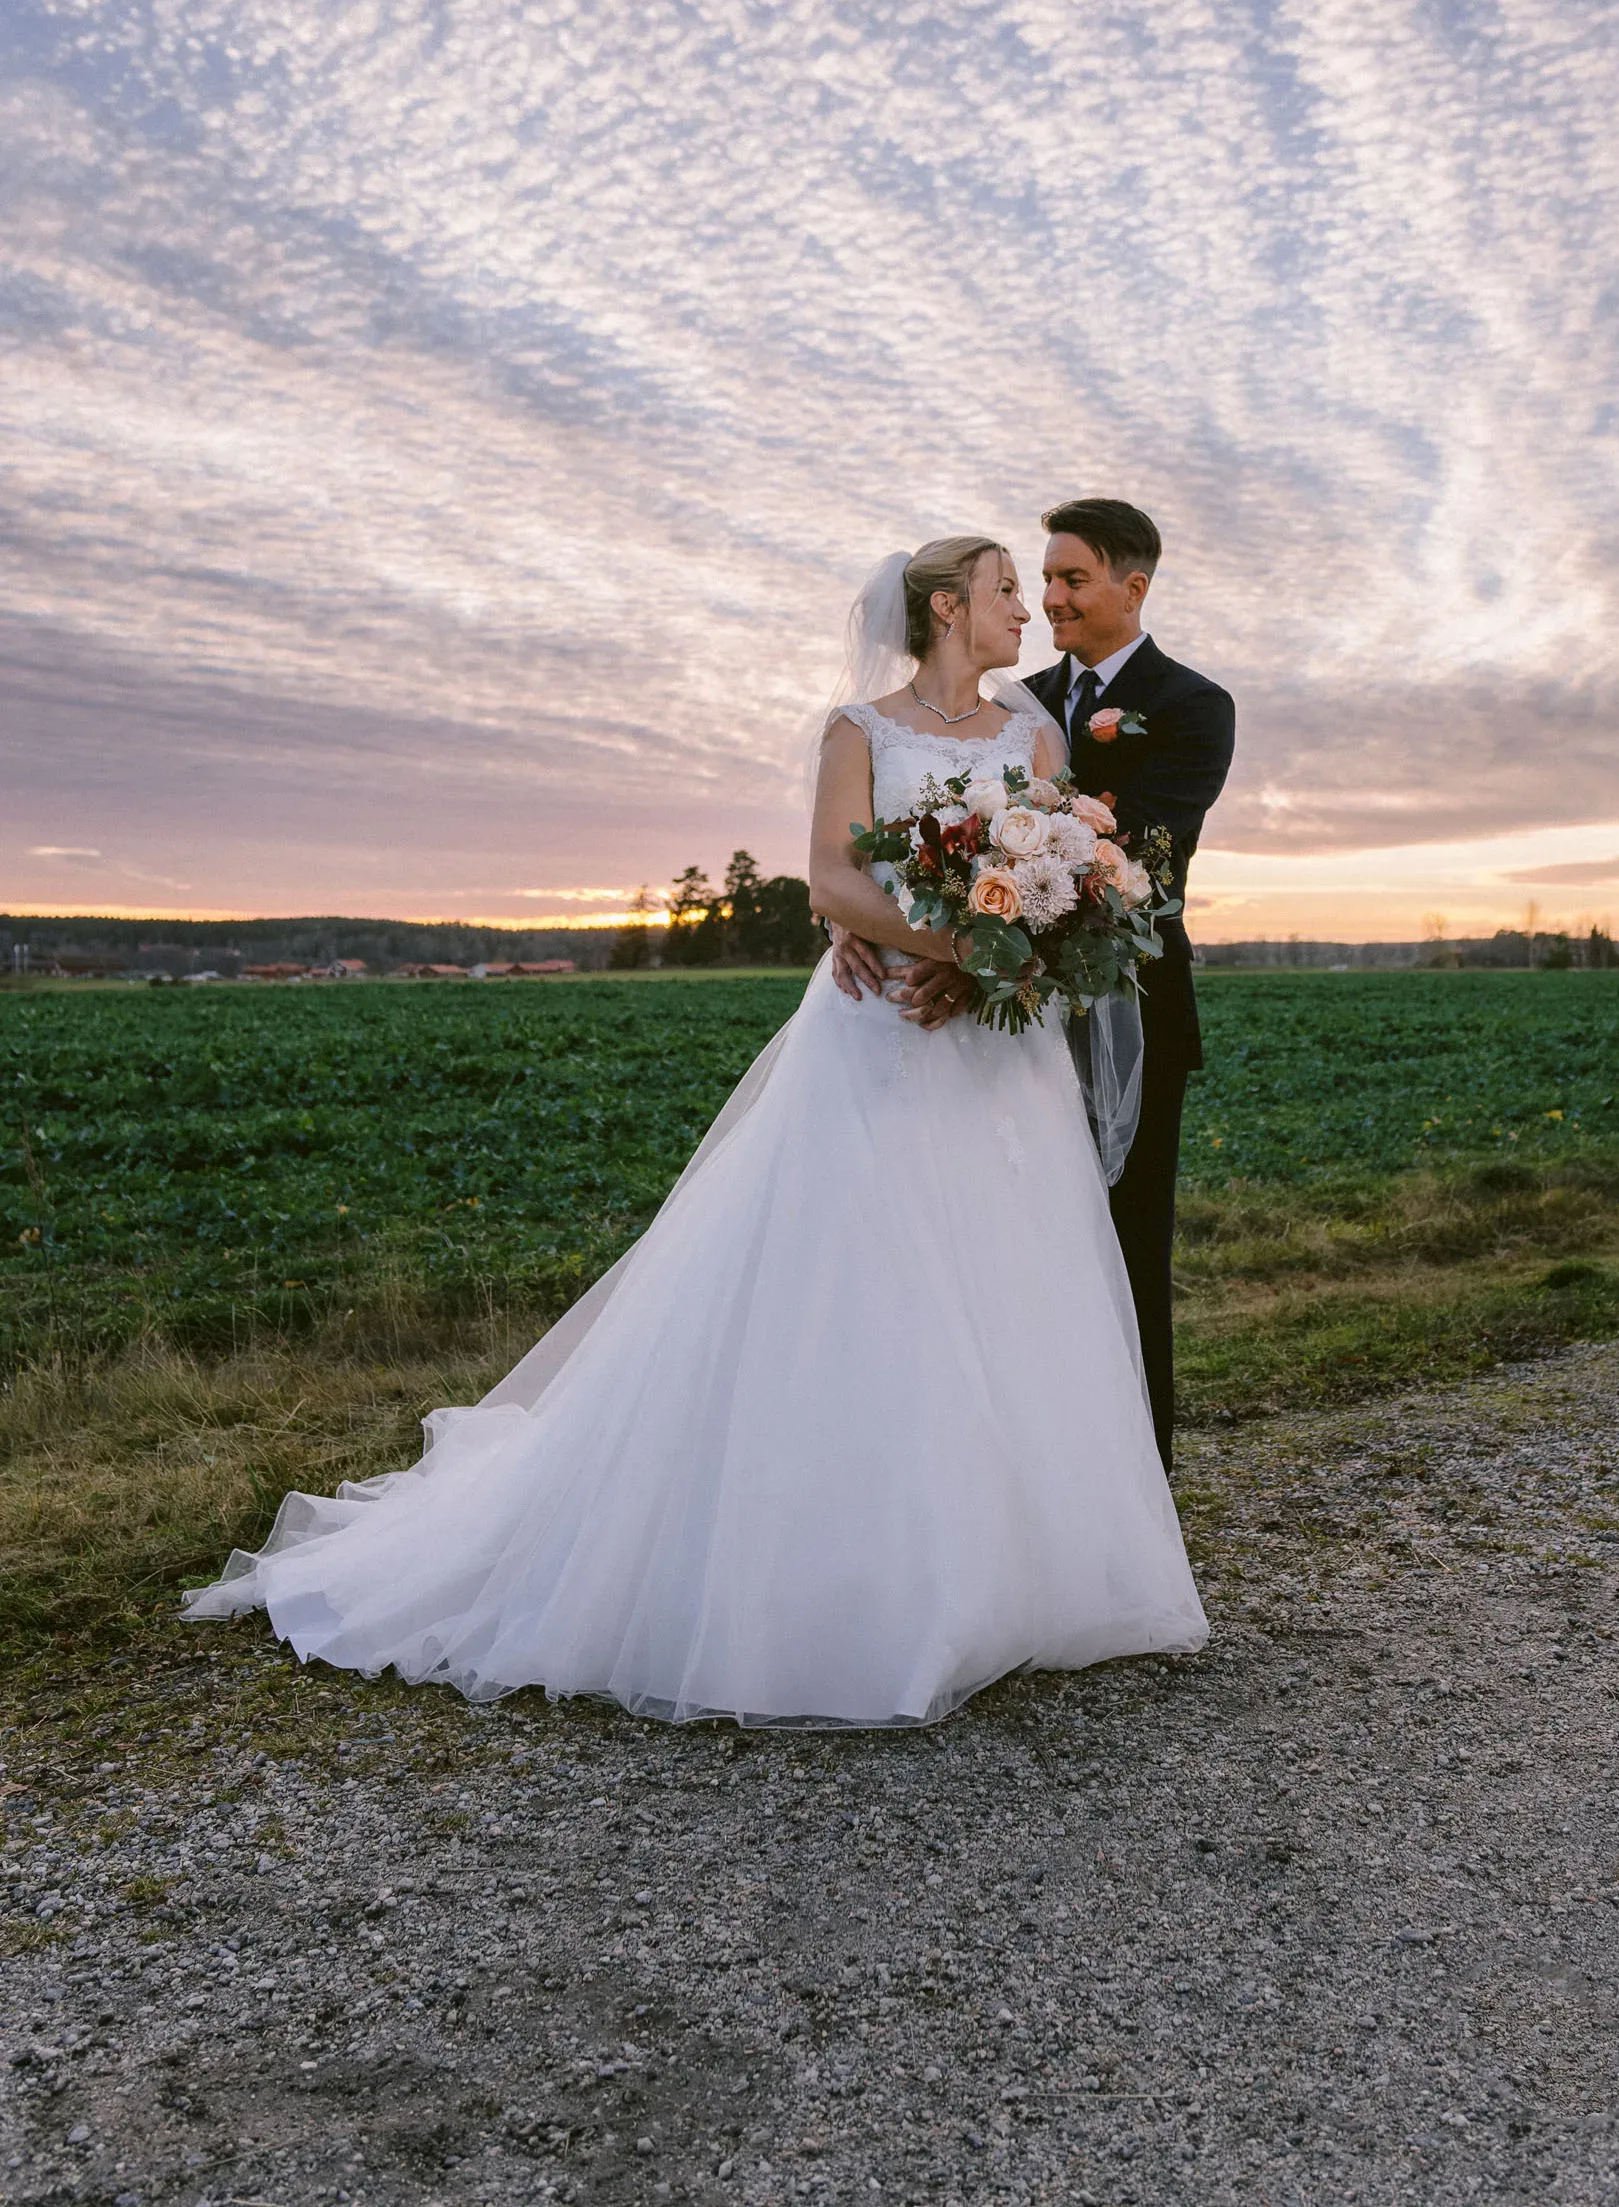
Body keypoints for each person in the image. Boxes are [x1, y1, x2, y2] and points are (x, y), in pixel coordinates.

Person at [184, 537, 1206, 1726]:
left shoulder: (1034, 734)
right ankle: (847, 1574)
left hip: (991, 1045)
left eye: (1033, 591)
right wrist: (953, 948)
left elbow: (1062, 872)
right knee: (857, 1278)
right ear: (945, 607)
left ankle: (1031, 1571)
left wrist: (988, 971)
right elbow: (831, 878)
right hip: (877, 1031)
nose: (1024, 609)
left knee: (1011, 1278)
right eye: (1004, 591)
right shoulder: (858, 732)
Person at [833, 501, 1234, 1471]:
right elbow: (914, 826)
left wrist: (978, 962)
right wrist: (856, 909)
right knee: (1011, 1246)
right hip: (998, 1021)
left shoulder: (1192, 705)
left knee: (1126, 1250)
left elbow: (1130, 856)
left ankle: (1136, 1481)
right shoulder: (1015, 699)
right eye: (1039, 580)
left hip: (1126, 1006)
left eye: (1071, 579)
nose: (1048, 598)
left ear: (1132, 587)